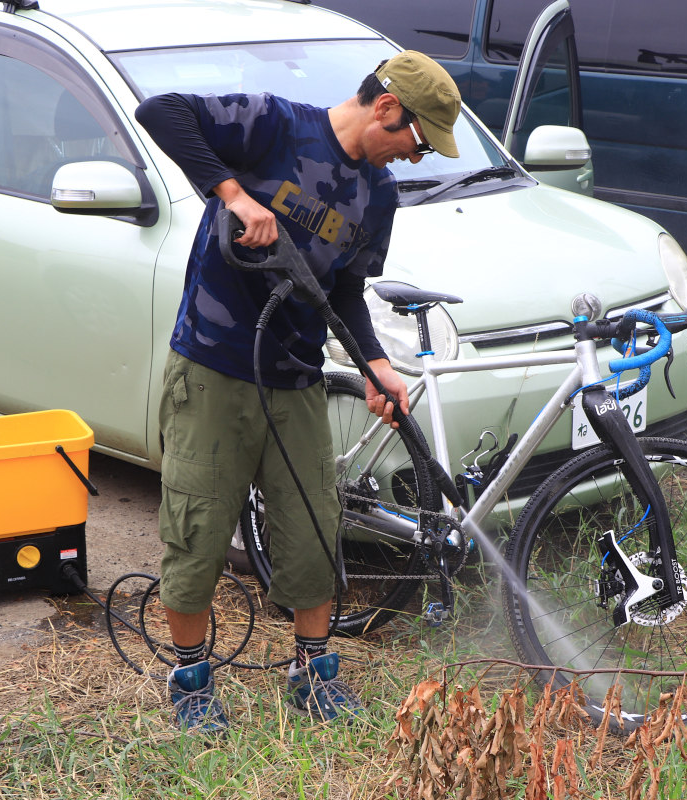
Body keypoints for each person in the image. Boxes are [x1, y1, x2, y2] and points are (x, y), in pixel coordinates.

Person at [134, 50, 462, 734]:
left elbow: (344, 287)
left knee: (314, 530)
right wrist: (233, 194)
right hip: (214, 368)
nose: (415, 156)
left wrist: (376, 363)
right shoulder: (274, 126)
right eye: (417, 139)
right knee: (196, 533)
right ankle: (191, 682)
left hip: (296, 377)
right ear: (386, 107)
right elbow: (161, 112)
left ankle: (311, 674)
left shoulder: (379, 195)